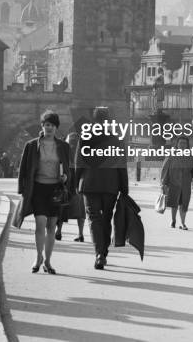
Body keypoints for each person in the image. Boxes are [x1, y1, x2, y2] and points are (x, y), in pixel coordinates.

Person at [16, 110, 70, 274]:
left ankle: (48, 261)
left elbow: (69, 167)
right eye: (47, 125)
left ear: (56, 128)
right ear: (42, 126)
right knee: (40, 223)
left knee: (51, 226)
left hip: (55, 190)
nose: (49, 128)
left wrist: (66, 176)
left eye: (52, 125)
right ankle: (38, 257)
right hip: (38, 188)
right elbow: (24, 169)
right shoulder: (31, 145)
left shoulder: (63, 146)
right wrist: (22, 189)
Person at [75, 107, 128, 269]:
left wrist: (76, 182)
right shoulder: (117, 139)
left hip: (89, 184)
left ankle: (99, 253)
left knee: (93, 218)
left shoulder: (85, 138)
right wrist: (124, 188)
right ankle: (103, 251)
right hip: (111, 185)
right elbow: (121, 165)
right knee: (106, 218)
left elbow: (78, 163)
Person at [160, 135, 193, 230]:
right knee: (174, 203)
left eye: (184, 143)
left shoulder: (190, 157)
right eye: (180, 143)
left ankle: (183, 223)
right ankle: (173, 220)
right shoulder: (171, 155)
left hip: (186, 184)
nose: (182, 145)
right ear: (177, 144)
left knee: (184, 203)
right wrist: (163, 183)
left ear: (187, 145)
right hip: (173, 183)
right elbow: (165, 169)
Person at [55, 131, 86, 243]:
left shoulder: (63, 149)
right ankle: (81, 234)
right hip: (78, 183)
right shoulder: (83, 149)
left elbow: (59, 165)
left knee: (62, 207)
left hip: (66, 181)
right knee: (80, 210)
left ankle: (58, 231)